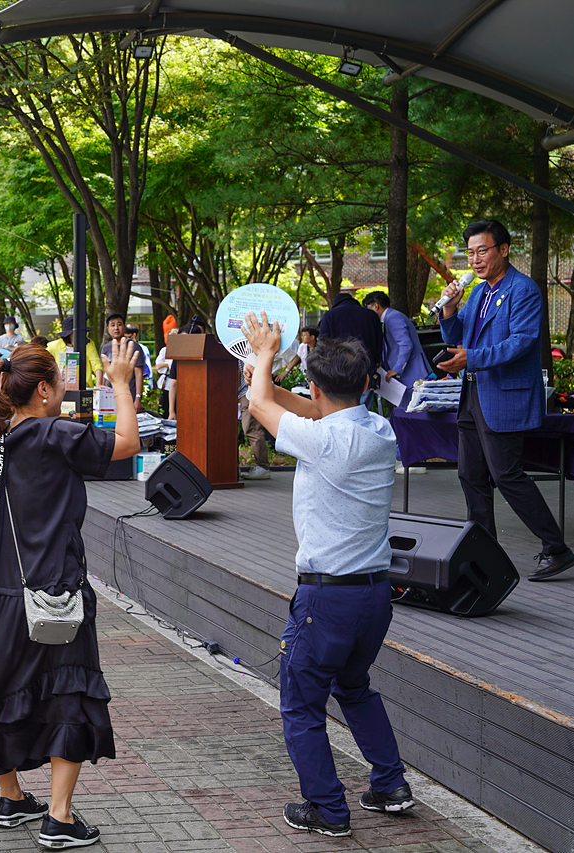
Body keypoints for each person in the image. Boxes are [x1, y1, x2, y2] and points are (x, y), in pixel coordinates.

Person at [0, 341, 141, 849]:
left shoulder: (3, 439)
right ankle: (59, 818)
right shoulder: (53, 433)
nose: (64, 390)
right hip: (55, 592)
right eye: (60, 382)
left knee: (0, 691)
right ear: (42, 390)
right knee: (67, 694)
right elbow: (126, 443)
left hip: (7, 592)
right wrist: (120, 382)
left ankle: (12, 798)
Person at [241, 312, 413, 838]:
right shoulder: (378, 429)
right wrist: (269, 380)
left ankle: (327, 810)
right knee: (354, 686)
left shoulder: (322, 441)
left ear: (315, 385)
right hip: (375, 595)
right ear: (365, 383)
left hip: (326, 601)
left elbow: (262, 405)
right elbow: (297, 407)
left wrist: (264, 356)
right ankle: (389, 786)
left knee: (300, 703)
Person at [437, 219, 574, 581]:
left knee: (506, 475)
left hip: (502, 395)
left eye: (482, 251)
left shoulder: (523, 289)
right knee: (470, 474)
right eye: (470, 253)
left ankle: (556, 548)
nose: (475, 260)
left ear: (503, 249)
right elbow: (457, 333)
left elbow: (522, 342)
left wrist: (473, 358)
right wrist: (450, 308)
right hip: (472, 394)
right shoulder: (480, 293)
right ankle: (482, 550)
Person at [363, 291, 433, 407]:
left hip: (410, 374)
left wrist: (397, 369)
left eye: (368, 308)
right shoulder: (391, 317)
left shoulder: (392, 318)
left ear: (376, 306)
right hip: (408, 374)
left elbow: (405, 345)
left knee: (410, 411)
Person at [318, 292, 383, 391]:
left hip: (338, 366)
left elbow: (323, 342)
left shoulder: (330, 315)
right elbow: (379, 341)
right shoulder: (371, 315)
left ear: (336, 304)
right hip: (366, 364)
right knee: (364, 399)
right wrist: (376, 361)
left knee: (342, 400)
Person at [99, 313, 143, 412]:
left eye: (119, 324)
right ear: (108, 328)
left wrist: (138, 398)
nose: (116, 328)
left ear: (124, 326)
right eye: (113, 325)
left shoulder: (134, 346)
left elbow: (139, 374)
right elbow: (104, 372)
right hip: (109, 397)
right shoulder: (105, 348)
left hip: (129, 395)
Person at [46, 316, 101, 389]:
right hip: (60, 388)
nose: (80, 336)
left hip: (83, 387)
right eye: (76, 333)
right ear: (68, 335)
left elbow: (97, 364)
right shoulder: (54, 346)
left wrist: (99, 384)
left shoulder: (88, 345)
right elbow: (41, 362)